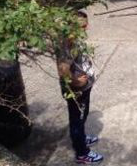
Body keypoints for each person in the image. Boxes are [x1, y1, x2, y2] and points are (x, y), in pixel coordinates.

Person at [57, 11, 103, 164]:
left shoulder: (75, 38)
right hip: (77, 91)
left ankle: (81, 139)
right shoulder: (68, 43)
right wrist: (76, 82)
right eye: (82, 26)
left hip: (83, 89)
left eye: (86, 24)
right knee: (77, 120)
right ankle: (82, 153)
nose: (86, 27)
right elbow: (63, 68)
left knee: (80, 117)